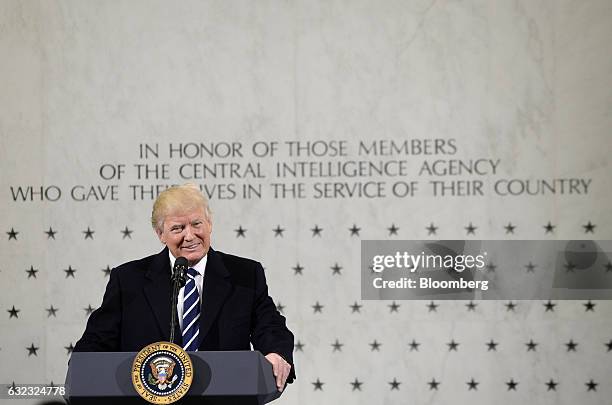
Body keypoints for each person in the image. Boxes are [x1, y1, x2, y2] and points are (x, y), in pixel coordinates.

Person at [73, 184, 295, 392]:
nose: (190, 236)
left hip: (227, 396)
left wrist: (276, 353)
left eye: (197, 224)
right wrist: (81, 371)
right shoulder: (129, 280)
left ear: (209, 224)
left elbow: (270, 326)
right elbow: (97, 341)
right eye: (178, 228)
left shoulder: (245, 274)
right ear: (161, 234)